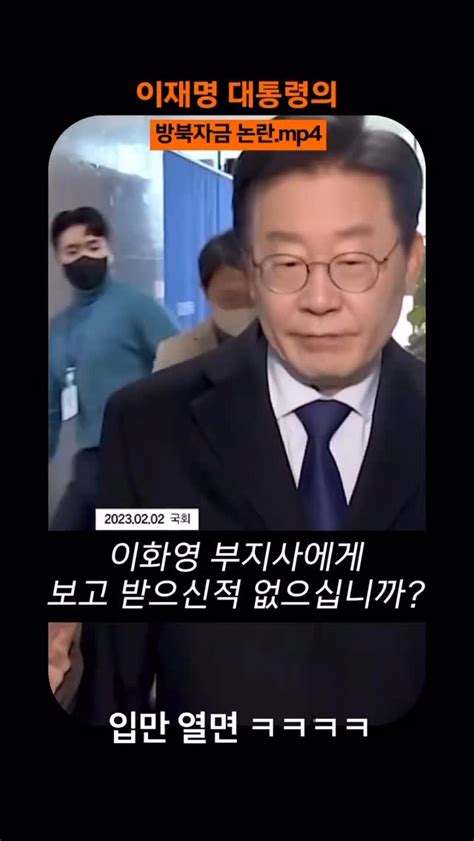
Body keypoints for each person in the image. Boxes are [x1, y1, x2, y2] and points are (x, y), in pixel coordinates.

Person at [76, 116, 426, 726]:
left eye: (353, 261)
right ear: (249, 267)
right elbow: (117, 676)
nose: (319, 300)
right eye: (286, 263)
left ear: (412, 261)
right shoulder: (150, 428)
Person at [48, 207, 179, 531]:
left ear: (109, 249)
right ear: (59, 259)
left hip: (141, 455)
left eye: (93, 246)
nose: (84, 257)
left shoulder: (137, 306)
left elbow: (183, 364)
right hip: (90, 463)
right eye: (72, 251)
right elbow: (50, 410)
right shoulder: (57, 330)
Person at [153, 229, 255, 370]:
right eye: (231, 298)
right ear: (205, 292)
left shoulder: (285, 349)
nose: (245, 306)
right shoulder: (177, 354)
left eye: (255, 299)